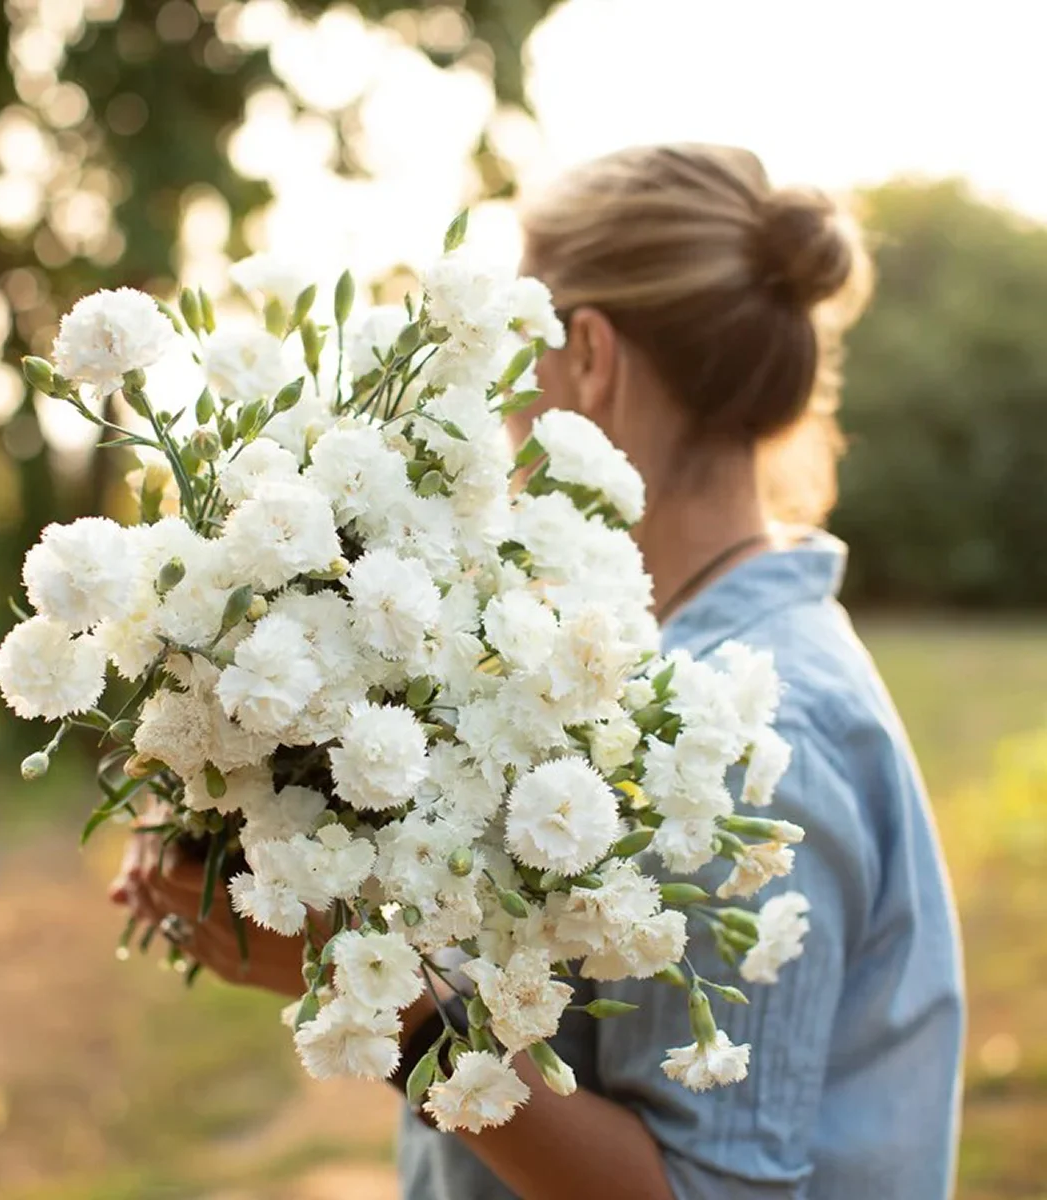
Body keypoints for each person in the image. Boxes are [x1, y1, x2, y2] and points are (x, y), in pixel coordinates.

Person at [112, 144, 965, 1199]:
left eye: (515, 344)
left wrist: (395, 1007)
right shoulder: (626, 676)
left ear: (591, 356)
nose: (497, 398)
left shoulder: (752, 742)